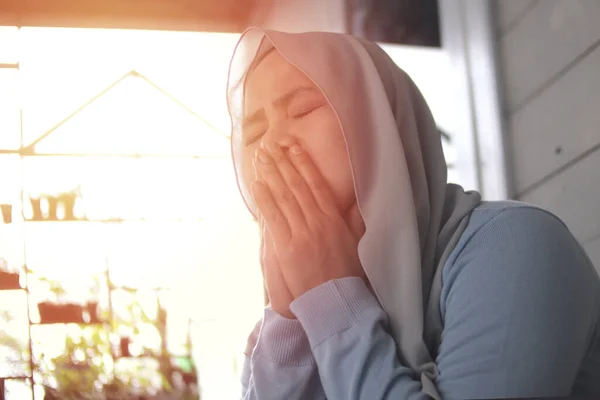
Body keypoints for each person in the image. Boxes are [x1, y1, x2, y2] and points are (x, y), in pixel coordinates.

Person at [226, 28, 600, 399]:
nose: (272, 143)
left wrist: (331, 301)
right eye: (254, 133)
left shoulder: (515, 247)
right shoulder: (271, 336)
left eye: (303, 108)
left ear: (376, 120)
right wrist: (289, 316)